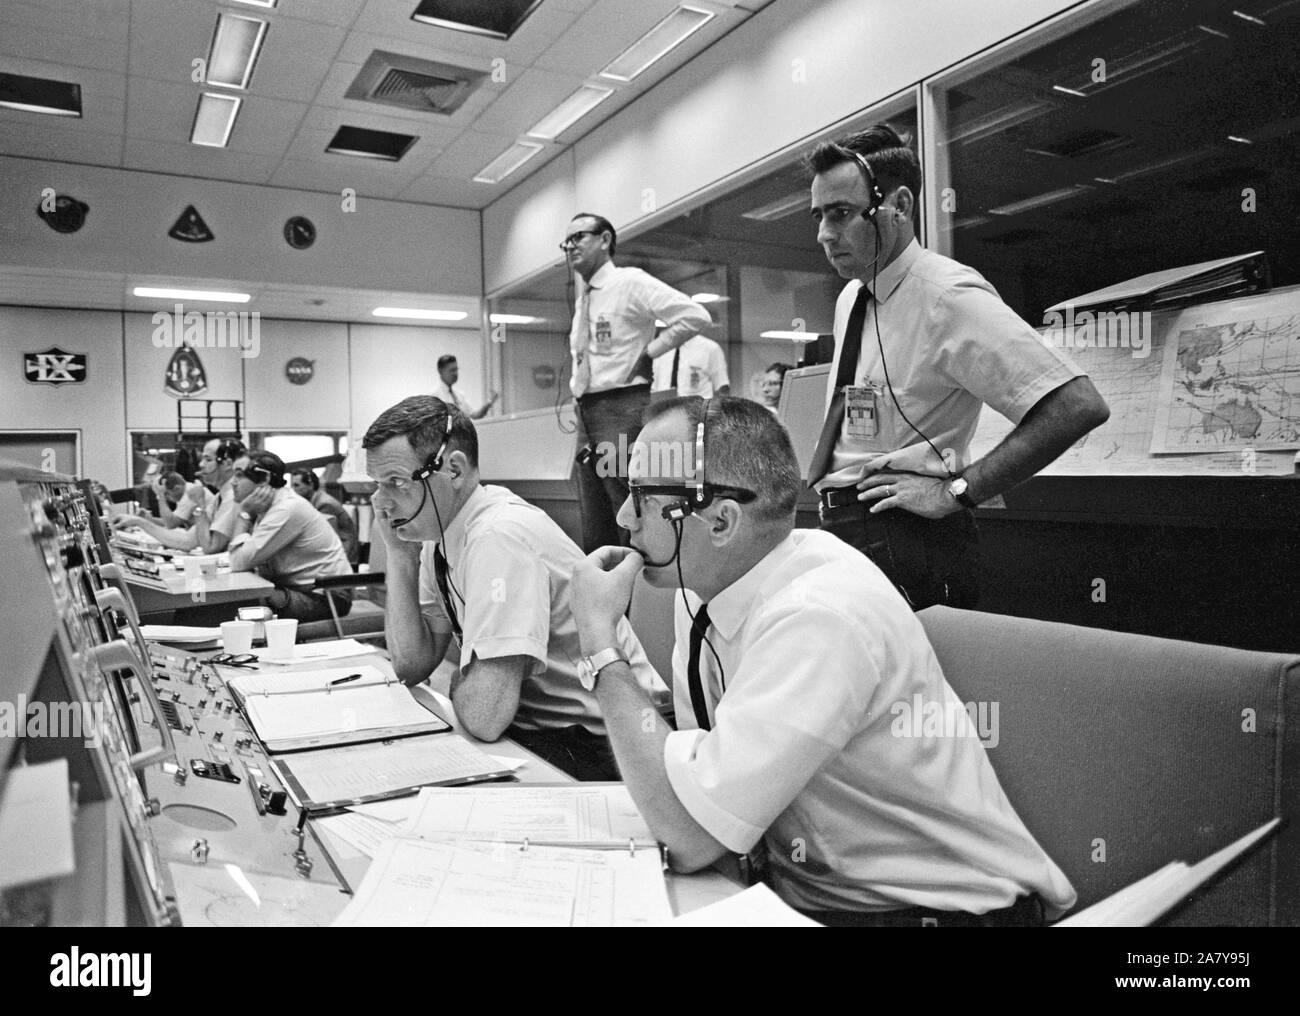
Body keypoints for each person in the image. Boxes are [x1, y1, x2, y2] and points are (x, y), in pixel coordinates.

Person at [569, 396, 1077, 925]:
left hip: (931, 913)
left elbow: (693, 836)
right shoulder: (700, 589)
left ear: (721, 521)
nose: (624, 517)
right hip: (803, 894)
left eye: (642, 496)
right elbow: (694, 800)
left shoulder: (818, 617)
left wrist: (601, 647)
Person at [804, 125, 1109, 609]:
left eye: (841, 214)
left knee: (919, 687)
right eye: (819, 215)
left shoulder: (947, 296)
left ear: (899, 208)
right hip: (846, 528)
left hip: (907, 537)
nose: (824, 234)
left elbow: (1077, 405)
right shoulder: (852, 297)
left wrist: (957, 492)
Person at [363, 395, 660, 781]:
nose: (379, 502)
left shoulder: (499, 537)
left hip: (611, 746)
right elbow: (410, 665)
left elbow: (485, 715)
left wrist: (466, 682)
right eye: (377, 485)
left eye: (396, 482)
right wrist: (400, 557)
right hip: (544, 732)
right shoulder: (439, 537)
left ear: (452, 470)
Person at [564, 211, 712, 552]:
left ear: (605, 240)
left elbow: (694, 315)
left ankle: (637, 597)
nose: (570, 247)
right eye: (566, 241)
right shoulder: (584, 298)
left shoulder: (629, 282)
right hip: (588, 411)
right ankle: (606, 591)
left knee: (625, 505)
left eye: (579, 237)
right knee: (594, 509)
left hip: (621, 407)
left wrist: (651, 351)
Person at [223, 451, 353, 622]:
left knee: (245, 603)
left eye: (239, 475)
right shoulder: (270, 507)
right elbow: (245, 559)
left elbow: (238, 562)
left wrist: (244, 514)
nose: (232, 482)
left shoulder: (286, 508)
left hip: (326, 597)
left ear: (264, 479)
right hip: (299, 590)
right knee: (239, 597)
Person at [112, 438, 243, 553]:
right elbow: (187, 541)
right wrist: (138, 521)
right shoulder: (219, 497)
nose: (201, 464)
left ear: (227, 464)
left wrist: (198, 504)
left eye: (208, 459)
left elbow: (210, 547)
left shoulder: (231, 497)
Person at [291, 468, 360, 566]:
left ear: (310, 485)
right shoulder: (315, 500)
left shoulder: (325, 504)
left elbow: (321, 537)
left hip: (344, 553)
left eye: (296, 485)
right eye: (292, 486)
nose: (293, 490)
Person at [652, 334, 730, 398]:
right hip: (664, 412)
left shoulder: (710, 348)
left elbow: (722, 388)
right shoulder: (660, 348)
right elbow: (653, 389)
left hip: (696, 413)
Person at [433, 354, 498, 420]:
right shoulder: (435, 397)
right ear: (440, 371)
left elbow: (474, 415)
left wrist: (489, 403)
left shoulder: (459, 395)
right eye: (452, 370)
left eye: (456, 369)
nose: (456, 373)